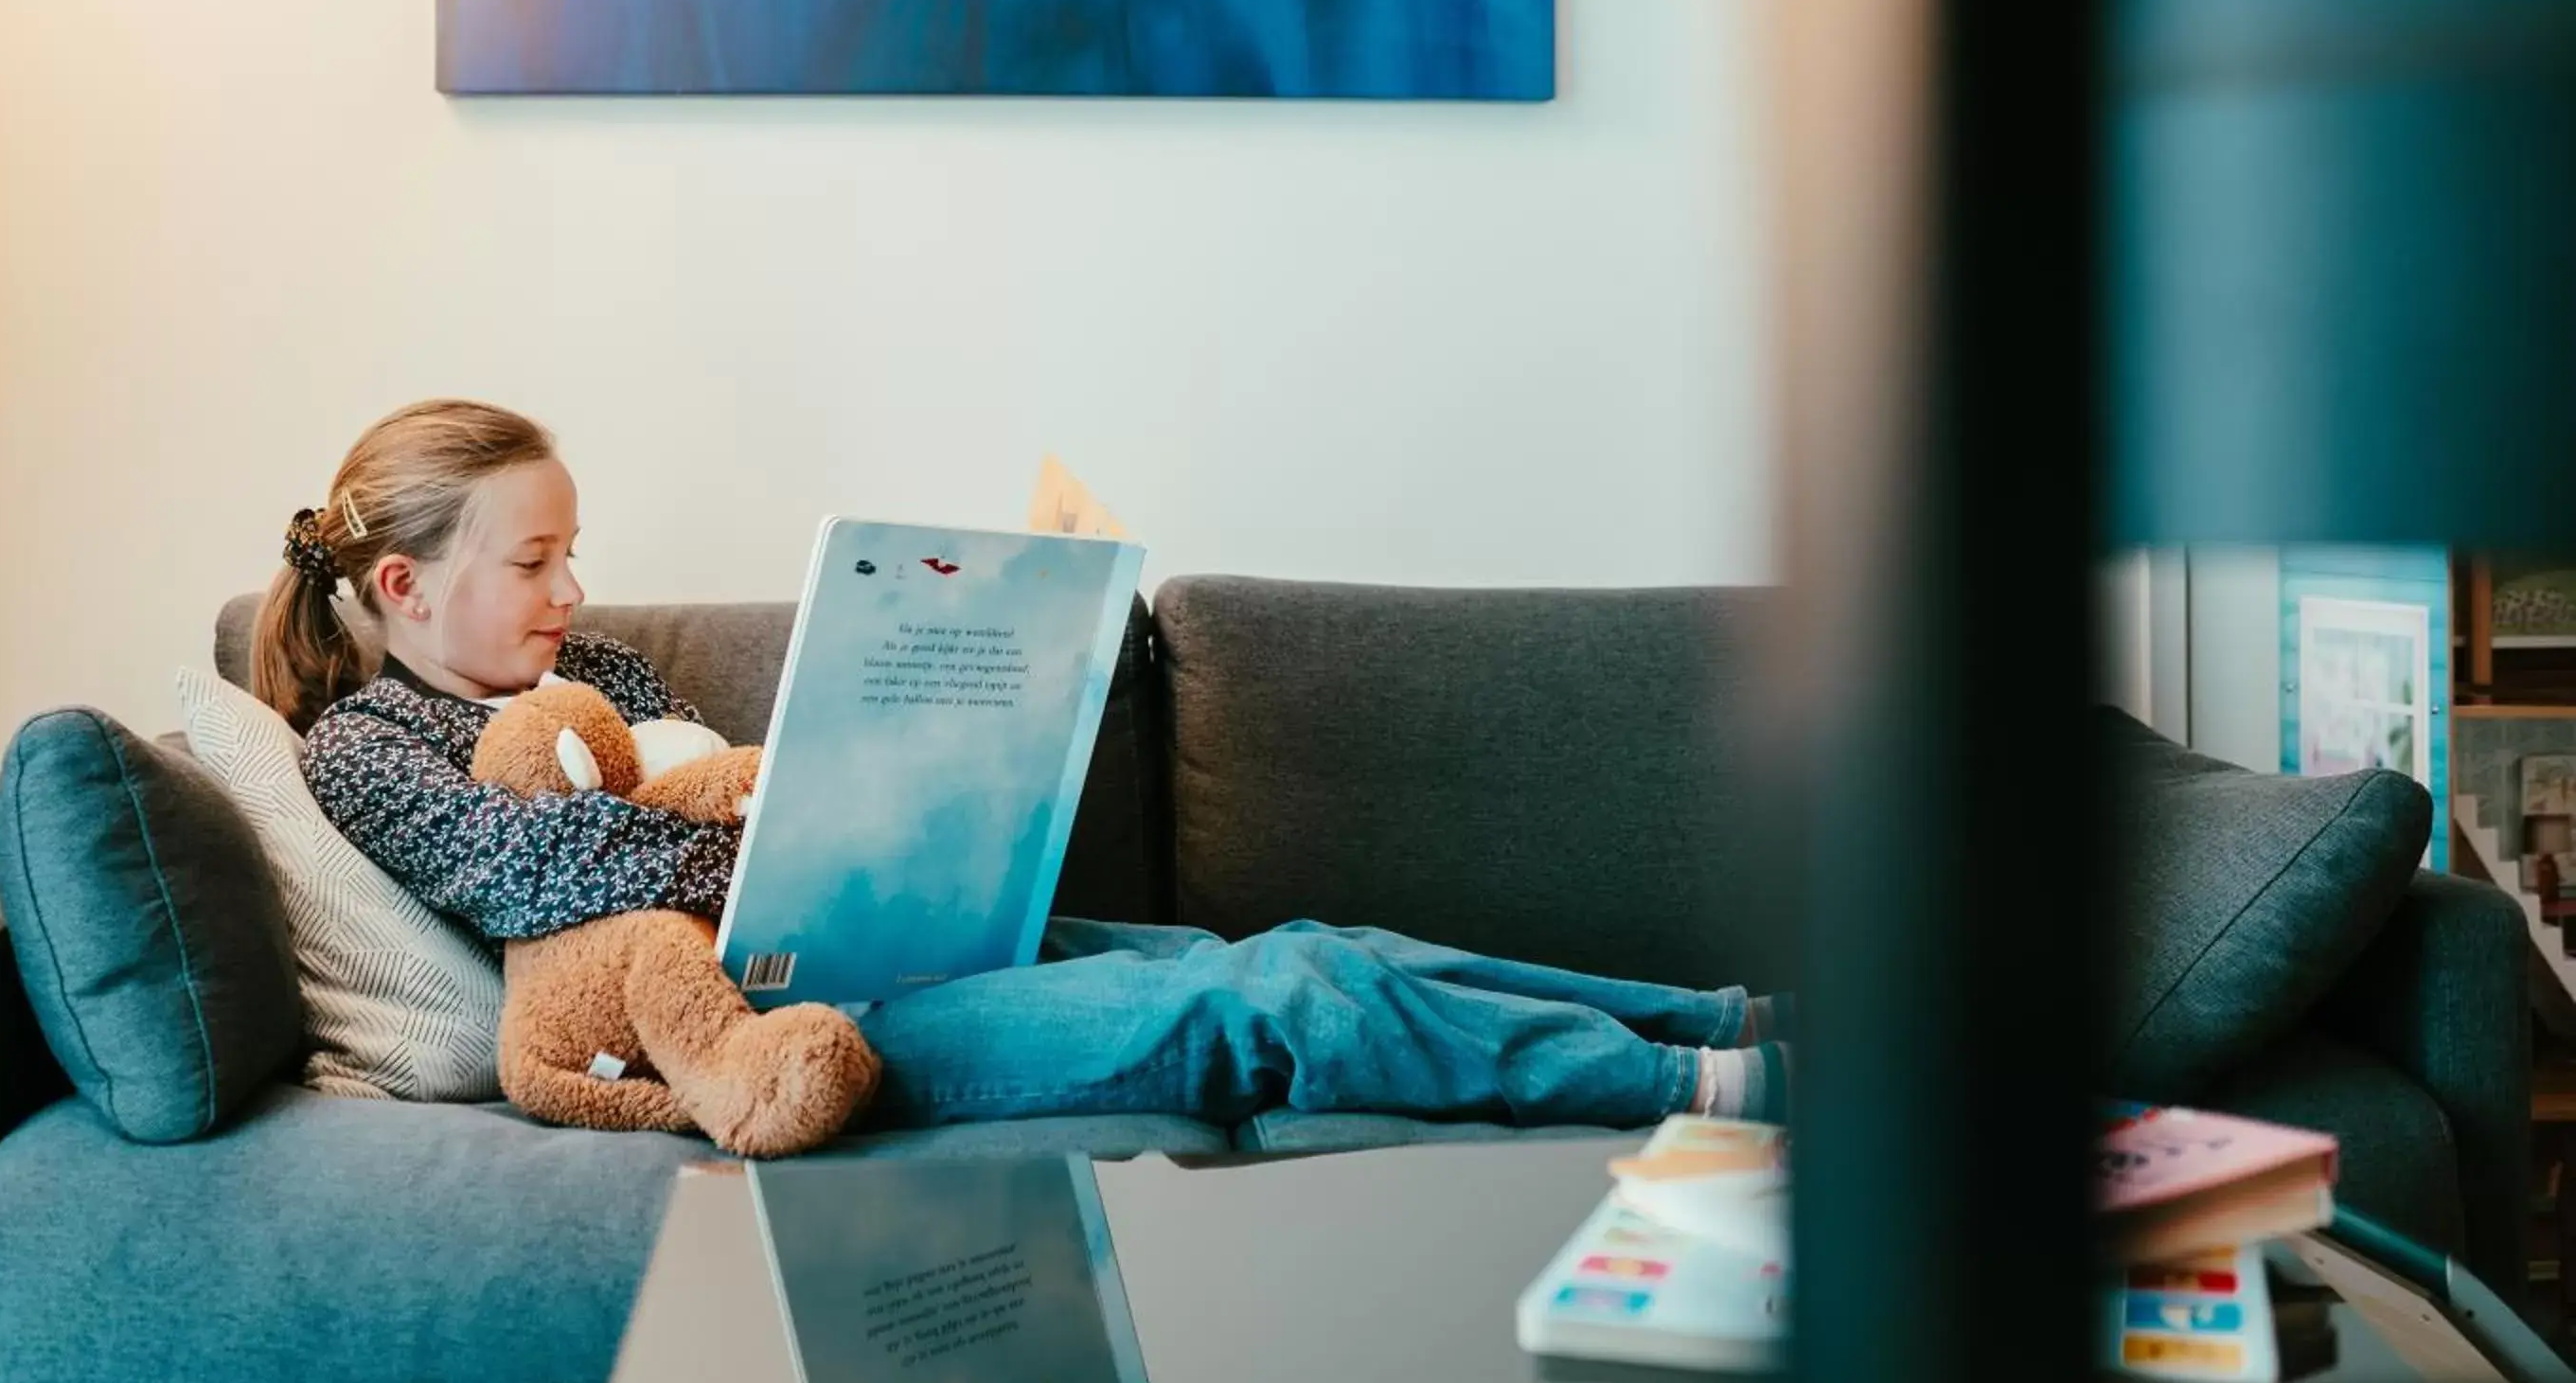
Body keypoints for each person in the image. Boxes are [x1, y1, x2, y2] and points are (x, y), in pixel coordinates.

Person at [268, 399, 1789, 1140]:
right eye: (535, 560)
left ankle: (1721, 1011)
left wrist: (897, 780)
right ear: (404, 587)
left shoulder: (588, 676)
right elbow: (571, 870)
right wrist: (795, 817)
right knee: (1263, 1004)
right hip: (788, 1024)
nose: (573, 592)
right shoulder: (370, 750)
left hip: (878, 939)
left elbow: (718, 792)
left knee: (1307, 947)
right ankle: (1707, 1087)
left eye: (572, 554)